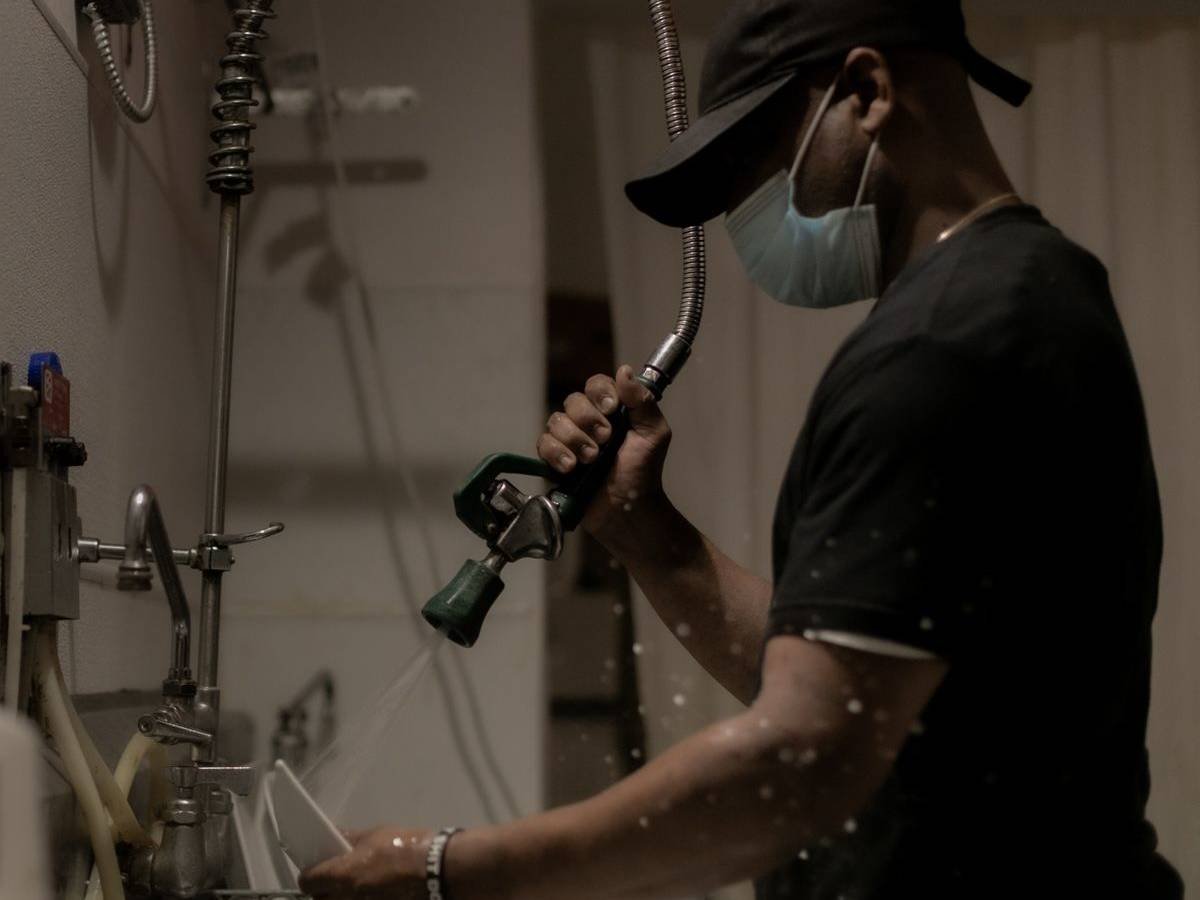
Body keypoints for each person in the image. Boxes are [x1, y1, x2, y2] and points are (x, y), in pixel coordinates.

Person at [300, 1, 1185, 897]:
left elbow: (800, 761)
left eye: (762, 159)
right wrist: (648, 534)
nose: (749, 211)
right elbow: (851, 689)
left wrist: (450, 868)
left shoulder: (945, 343)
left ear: (868, 92)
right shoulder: (1029, 299)